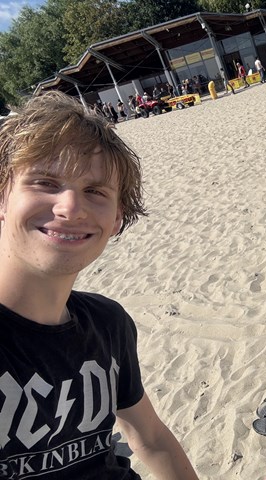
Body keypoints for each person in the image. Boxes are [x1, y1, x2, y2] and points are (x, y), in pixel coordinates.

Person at [0, 91, 199, 478]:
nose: (71, 208)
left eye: (94, 191)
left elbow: (150, 438)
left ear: (117, 217)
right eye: (45, 182)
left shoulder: (108, 323)